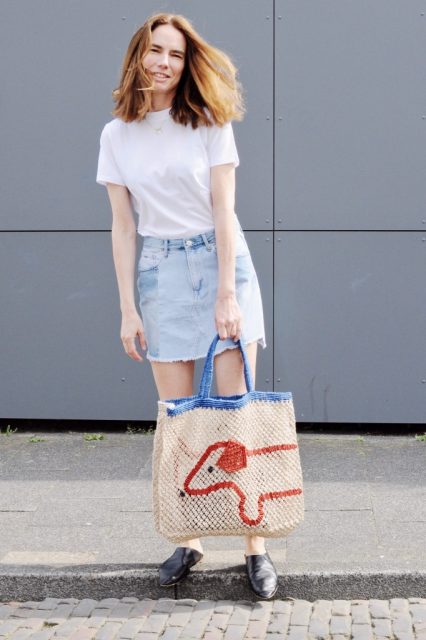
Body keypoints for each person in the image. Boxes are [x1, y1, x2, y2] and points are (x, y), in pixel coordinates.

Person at [96, 12, 278, 599]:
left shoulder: (208, 122)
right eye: (156, 51)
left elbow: (224, 210)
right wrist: (127, 308)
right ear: (138, 55)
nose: (165, 63)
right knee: (179, 418)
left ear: (186, 62)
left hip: (221, 263)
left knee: (234, 410)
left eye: (175, 54)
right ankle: (190, 538)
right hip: (160, 271)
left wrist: (226, 293)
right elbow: (124, 227)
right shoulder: (116, 135)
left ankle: (255, 543)